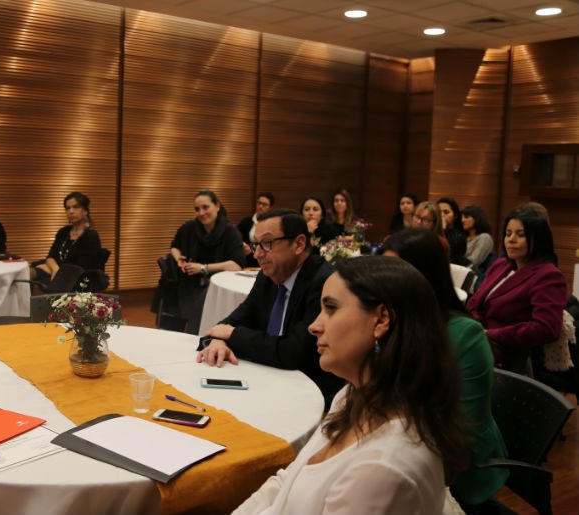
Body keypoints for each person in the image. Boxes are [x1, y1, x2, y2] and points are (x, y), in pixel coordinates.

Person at [232, 257, 467, 515]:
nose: (314, 326)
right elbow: (285, 482)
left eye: (331, 308)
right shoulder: (353, 394)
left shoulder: (383, 468)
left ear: (380, 320)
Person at [381, 229, 508, 511]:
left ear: (425, 277)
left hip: (454, 469)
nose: (385, 282)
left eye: (396, 272)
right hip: (397, 448)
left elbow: (460, 430)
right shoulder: (390, 321)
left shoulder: (465, 336)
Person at [197, 209, 343, 407]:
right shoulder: (268, 276)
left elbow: (293, 352)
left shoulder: (323, 282)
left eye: (267, 243)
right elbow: (234, 320)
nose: (257, 254)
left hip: (309, 393)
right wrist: (217, 341)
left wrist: (232, 335)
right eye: (256, 244)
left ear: (299, 244)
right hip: (268, 378)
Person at [467, 208, 567, 375]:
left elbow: (547, 328)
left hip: (507, 357)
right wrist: (476, 326)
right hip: (478, 341)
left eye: (520, 235)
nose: (511, 240)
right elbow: (474, 302)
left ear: (539, 238)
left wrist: (492, 334)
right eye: (508, 233)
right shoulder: (501, 265)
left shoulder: (548, 275)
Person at [169, 190, 244, 334]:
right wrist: (178, 258)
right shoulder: (188, 228)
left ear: (217, 206)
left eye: (205, 207)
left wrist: (203, 268)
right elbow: (174, 246)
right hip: (190, 285)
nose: (201, 213)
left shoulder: (230, 232)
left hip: (218, 287)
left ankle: (196, 336)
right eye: (197, 209)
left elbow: (236, 265)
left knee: (203, 303)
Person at [31, 191, 102, 284]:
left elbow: (80, 267)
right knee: (27, 274)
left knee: (36, 284)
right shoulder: (63, 232)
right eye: (67, 208)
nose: (71, 211)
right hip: (56, 272)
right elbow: (50, 257)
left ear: (85, 211)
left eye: (75, 207)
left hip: (76, 280)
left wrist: (51, 269)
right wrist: (55, 269)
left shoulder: (91, 236)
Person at [237, 192, 274, 268]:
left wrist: (252, 248)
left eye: (264, 204)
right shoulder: (245, 222)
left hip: (266, 260)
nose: (260, 206)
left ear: (270, 207)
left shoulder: (273, 224)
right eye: (259, 203)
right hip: (247, 261)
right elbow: (236, 238)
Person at [438, 196, 469, 266]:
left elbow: (447, 253)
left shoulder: (460, 235)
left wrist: (443, 229)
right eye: (438, 212)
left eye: (446, 212)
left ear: (455, 215)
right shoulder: (430, 231)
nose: (441, 215)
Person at [461, 205, 494, 270]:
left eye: (466, 217)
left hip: (472, 275)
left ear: (476, 219)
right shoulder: (463, 237)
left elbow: (473, 262)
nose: (462, 220)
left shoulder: (484, 238)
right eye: (461, 217)